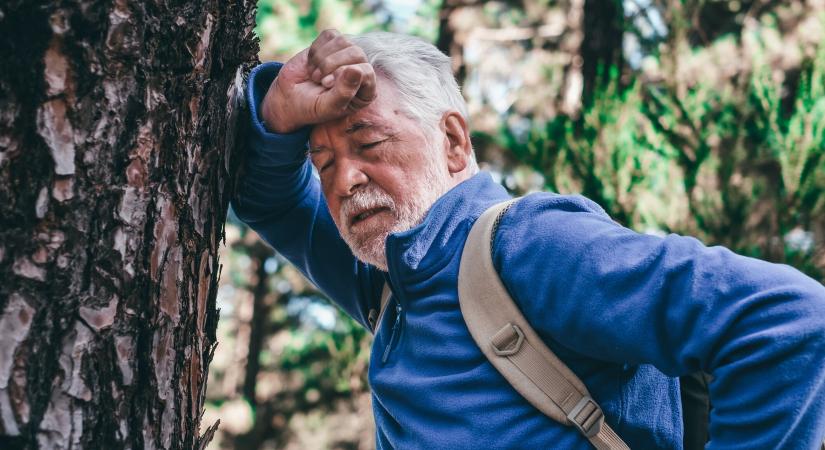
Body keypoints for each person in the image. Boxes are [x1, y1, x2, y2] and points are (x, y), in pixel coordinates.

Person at [231, 29, 825, 449]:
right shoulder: (391, 283)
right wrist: (277, 112)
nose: (344, 181)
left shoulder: (529, 246)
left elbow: (787, 320)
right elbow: (267, 198)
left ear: (453, 142)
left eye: (369, 143)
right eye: (323, 163)